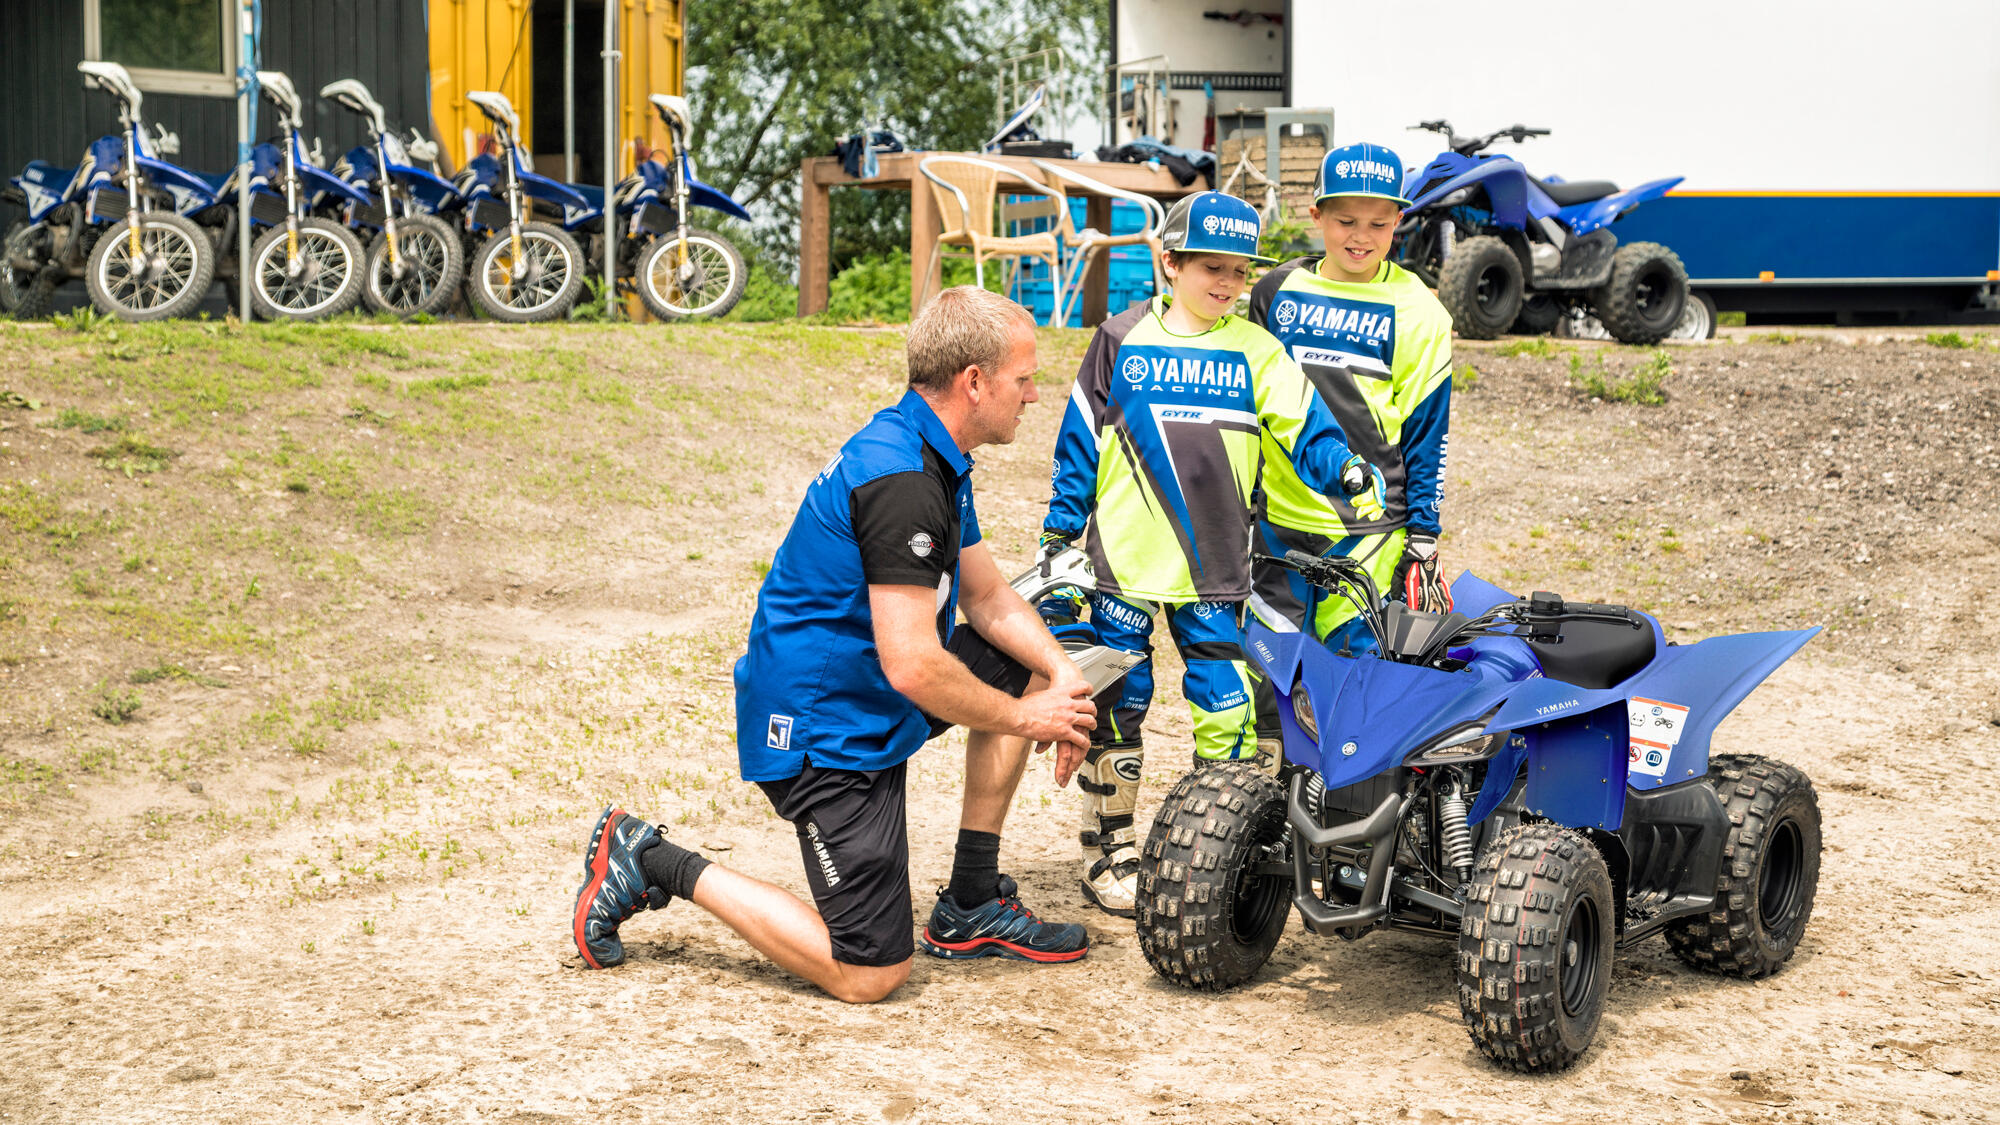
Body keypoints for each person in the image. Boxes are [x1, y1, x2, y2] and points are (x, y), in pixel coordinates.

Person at [570, 287, 1099, 1004]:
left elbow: (986, 595)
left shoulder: (934, 450)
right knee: (870, 971)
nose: (1035, 395)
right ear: (974, 382)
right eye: (1024, 378)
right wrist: (1028, 719)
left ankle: (972, 899)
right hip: (819, 730)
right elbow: (912, 662)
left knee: (1029, 661)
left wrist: (1061, 679)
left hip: (873, 696)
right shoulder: (903, 478)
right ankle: (651, 857)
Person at [1041, 191, 1379, 917]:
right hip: (1121, 569)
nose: (1226, 283)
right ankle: (1108, 851)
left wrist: (1348, 473)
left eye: (1237, 270)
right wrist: (1060, 534)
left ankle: (1214, 853)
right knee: (1118, 706)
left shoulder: (1258, 348)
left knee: (1226, 715)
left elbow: (1307, 426)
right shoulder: (1119, 336)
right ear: (1169, 263)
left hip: (1219, 572)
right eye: (1209, 268)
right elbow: (1077, 439)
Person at [1245, 141, 1455, 679]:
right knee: (1268, 670)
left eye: (1378, 223)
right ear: (1316, 215)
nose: (1360, 237)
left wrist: (1424, 536)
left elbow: (1427, 431)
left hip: (1368, 530)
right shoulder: (1274, 292)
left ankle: (1343, 768)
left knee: (1352, 672)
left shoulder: (1419, 312)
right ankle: (1268, 769)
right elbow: (1251, 407)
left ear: (1399, 223)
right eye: (1345, 220)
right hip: (1277, 520)